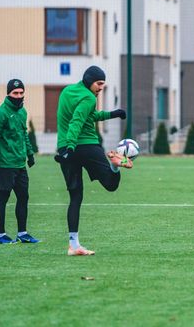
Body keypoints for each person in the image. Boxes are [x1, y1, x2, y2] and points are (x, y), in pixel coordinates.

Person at [55, 66, 130, 256]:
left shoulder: (67, 91)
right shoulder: (89, 97)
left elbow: (87, 115)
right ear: (89, 81)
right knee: (111, 184)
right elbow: (77, 121)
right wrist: (71, 145)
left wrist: (113, 114)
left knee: (75, 197)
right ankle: (114, 165)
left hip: (66, 149)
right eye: (99, 83)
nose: (101, 88)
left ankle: (73, 246)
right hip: (85, 145)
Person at [0, 79, 39, 244]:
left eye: (21, 92)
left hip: (20, 164)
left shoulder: (22, 112)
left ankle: (22, 233)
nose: (18, 96)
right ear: (8, 93)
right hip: (5, 165)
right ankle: (1, 235)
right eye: (15, 93)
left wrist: (30, 154)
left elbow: (24, 134)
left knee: (23, 197)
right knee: (3, 197)